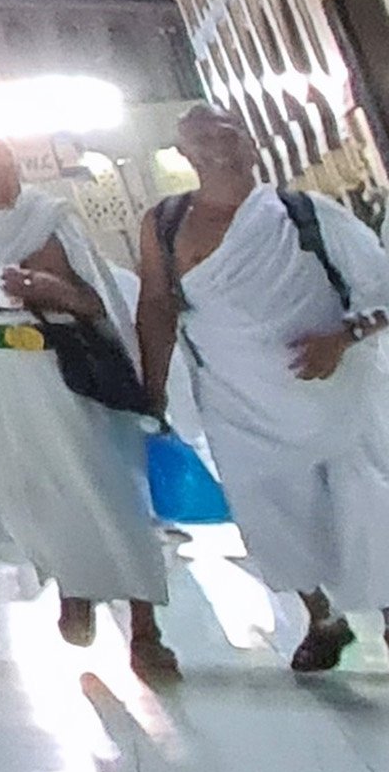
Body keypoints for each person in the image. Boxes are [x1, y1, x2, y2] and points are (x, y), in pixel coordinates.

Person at [133, 103, 389, 673]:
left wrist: (342, 338)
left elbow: (382, 285)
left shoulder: (306, 213)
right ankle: (321, 618)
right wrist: (151, 392)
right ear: (184, 154)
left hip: (335, 394)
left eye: (227, 134)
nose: (217, 146)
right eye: (201, 139)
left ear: (250, 145)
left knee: (366, 502)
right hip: (237, 399)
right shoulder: (166, 222)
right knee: (271, 508)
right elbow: (156, 305)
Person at [0, 134, 175, 676]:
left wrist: (54, 292)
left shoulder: (50, 216)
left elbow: (96, 299)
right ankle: (74, 588)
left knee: (106, 487)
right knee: (33, 489)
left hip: (72, 368)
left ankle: (145, 627)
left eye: (3, 164)